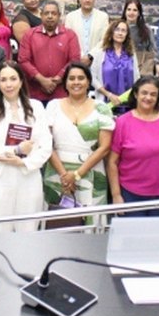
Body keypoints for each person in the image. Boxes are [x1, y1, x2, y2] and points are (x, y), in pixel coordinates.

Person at [0, 61, 52, 232]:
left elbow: (46, 146)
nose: (8, 84)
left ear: (21, 81)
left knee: (28, 232)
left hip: (29, 177)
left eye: (13, 78)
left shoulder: (37, 107)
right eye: (3, 80)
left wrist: (25, 162)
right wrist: (16, 151)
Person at [44, 62, 114, 226]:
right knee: (58, 225)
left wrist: (76, 175)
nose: (76, 82)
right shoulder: (53, 106)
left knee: (91, 225)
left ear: (88, 82)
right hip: (57, 172)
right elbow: (47, 143)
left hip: (91, 172)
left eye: (81, 78)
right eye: (72, 78)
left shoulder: (102, 108)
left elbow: (104, 147)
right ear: (65, 83)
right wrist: (65, 176)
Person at [108, 75, 159, 217]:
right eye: (144, 93)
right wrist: (116, 195)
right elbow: (112, 162)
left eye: (153, 94)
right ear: (135, 94)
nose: (148, 98)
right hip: (132, 193)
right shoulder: (123, 122)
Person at [18, 0, 81, 103]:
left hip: (62, 94)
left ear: (59, 15)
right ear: (41, 15)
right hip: (34, 94)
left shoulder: (70, 35)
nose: (50, 16)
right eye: (46, 13)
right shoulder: (30, 35)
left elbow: (74, 60)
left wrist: (58, 78)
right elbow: (23, 60)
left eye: (54, 13)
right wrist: (42, 80)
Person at [90, 20, 139, 114]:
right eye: (117, 30)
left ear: (127, 34)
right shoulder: (100, 52)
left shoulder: (131, 54)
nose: (120, 33)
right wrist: (109, 95)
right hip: (105, 104)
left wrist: (125, 97)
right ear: (111, 32)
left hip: (128, 105)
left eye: (123, 30)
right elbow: (92, 77)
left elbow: (137, 79)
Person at [64, 0, 110, 65]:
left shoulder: (103, 17)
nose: (87, 0)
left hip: (96, 62)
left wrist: (90, 56)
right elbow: (68, 40)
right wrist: (81, 56)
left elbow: (104, 40)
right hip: (76, 62)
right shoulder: (70, 17)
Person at [122, 0, 159, 76]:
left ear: (139, 13)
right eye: (129, 9)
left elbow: (153, 49)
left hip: (141, 68)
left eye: (135, 10)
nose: (131, 12)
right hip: (121, 68)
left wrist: (157, 65)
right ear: (125, 11)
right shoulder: (117, 28)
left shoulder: (146, 29)